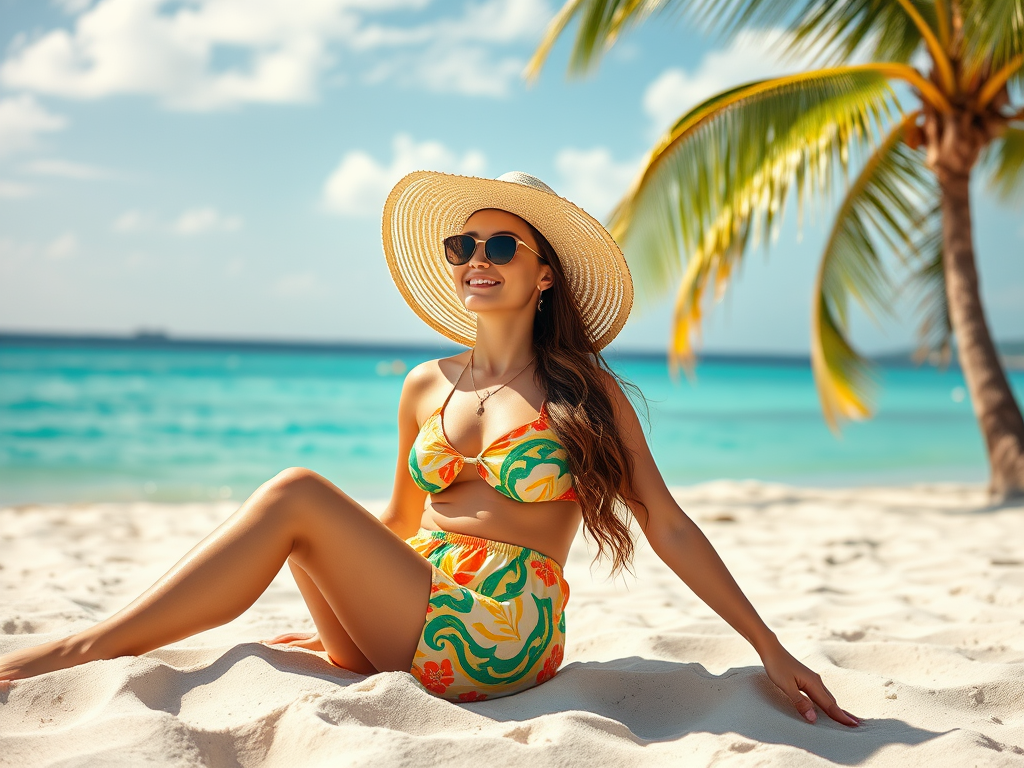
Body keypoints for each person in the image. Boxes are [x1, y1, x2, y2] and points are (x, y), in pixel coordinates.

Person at [0, 170, 859, 725]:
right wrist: (338, 596)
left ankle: (86, 648)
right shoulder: (424, 383)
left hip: (502, 628)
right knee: (302, 519)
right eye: (463, 246)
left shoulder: (584, 393)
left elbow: (667, 525)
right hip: (417, 604)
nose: (474, 260)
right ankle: (109, 639)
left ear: (545, 272)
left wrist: (767, 646)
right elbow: (401, 520)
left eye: (498, 246)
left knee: (297, 491)